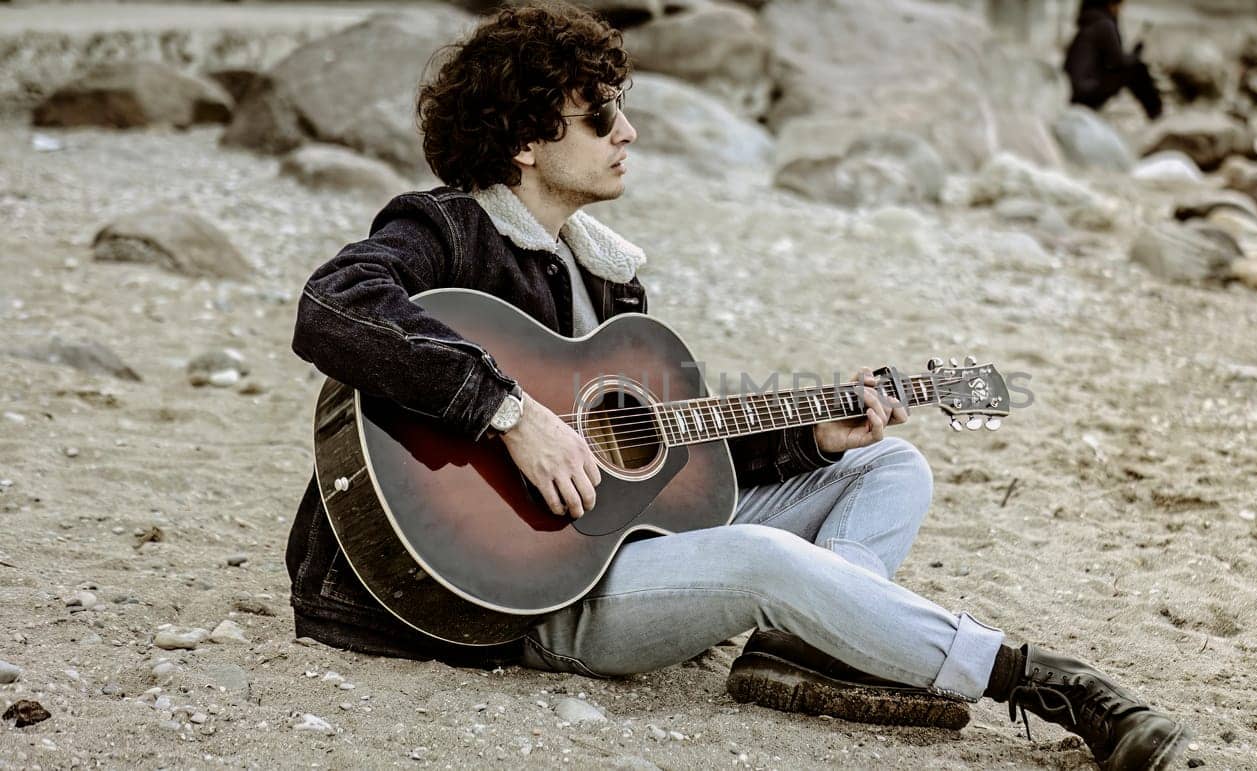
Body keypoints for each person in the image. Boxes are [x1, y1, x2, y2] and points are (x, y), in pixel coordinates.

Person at [286, 3, 1186, 768]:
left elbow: (664, 456)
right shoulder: (446, 231)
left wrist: (811, 438)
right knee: (767, 561)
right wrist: (512, 412)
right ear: (525, 140)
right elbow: (334, 304)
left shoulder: (611, 282)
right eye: (601, 117)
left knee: (891, 468)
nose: (628, 132)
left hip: (611, 548)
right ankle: (1039, 680)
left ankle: (803, 650)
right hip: (524, 596)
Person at [1065, 0, 1163, 120]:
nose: (1120, 10)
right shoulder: (1104, 24)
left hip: (1073, 92)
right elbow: (1118, 62)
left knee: (1134, 67)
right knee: (1137, 69)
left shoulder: (1091, 20)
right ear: (1110, 4)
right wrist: (1137, 52)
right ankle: (1157, 114)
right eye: (1119, 5)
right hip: (1084, 93)